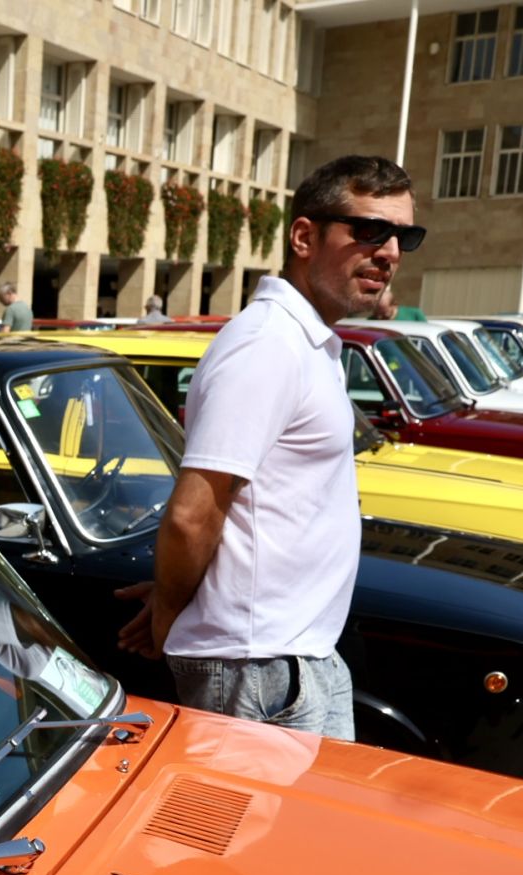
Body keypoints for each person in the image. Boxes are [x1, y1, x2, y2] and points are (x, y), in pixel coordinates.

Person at [116, 154, 423, 739]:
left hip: (291, 658)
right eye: (369, 231)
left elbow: (258, 508)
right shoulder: (267, 346)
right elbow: (192, 514)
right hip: (258, 672)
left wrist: (183, 593)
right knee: (256, 834)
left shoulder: (307, 342)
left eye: (404, 236)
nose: (389, 252)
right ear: (304, 236)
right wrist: (170, 615)